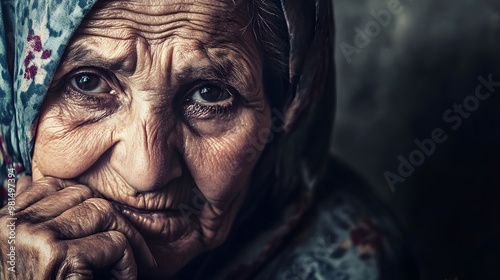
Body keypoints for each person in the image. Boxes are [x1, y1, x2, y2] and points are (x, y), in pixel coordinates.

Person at [0, 0, 416, 278]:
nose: (148, 173)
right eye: (88, 83)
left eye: (211, 94)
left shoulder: (348, 259)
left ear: (286, 116)